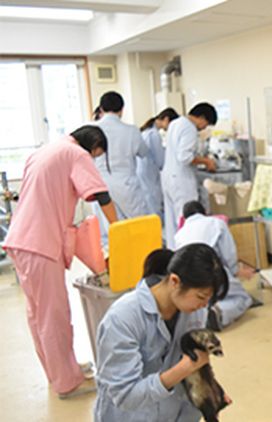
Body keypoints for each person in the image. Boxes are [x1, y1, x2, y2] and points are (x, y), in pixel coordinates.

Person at [3, 125, 118, 399]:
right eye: (97, 154)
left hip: (22, 240)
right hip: (40, 243)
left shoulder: (44, 151)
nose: (94, 159)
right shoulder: (76, 154)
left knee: (38, 315)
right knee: (54, 315)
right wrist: (119, 228)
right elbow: (100, 194)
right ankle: (68, 383)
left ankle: (58, 373)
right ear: (93, 145)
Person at [94, 243, 230, 421]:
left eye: (208, 300)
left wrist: (212, 395)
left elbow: (193, 370)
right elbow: (126, 396)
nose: (204, 306)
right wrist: (182, 369)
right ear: (174, 281)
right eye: (201, 297)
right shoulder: (122, 320)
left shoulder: (194, 311)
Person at [174, 200, 253, 331]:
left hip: (187, 279)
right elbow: (228, 254)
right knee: (243, 298)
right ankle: (220, 312)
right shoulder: (216, 223)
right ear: (204, 212)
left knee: (201, 299)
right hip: (210, 272)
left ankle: (203, 315)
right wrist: (236, 271)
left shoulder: (179, 234)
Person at [93, 91, 151, 245]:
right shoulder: (131, 130)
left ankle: (118, 264)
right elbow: (144, 152)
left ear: (101, 109)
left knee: (111, 231)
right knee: (140, 226)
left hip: (101, 186)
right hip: (126, 185)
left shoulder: (91, 128)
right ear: (122, 109)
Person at [161, 102, 218, 249]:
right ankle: (187, 253)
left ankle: (175, 253)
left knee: (173, 221)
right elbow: (185, 157)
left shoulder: (176, 123)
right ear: (202, 117)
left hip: (169, 178)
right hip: (181, 180)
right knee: (187, 220)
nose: (204, 128)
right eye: (206, 124)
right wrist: (206, 161)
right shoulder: (189, 128)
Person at [138, 108, 180, 220]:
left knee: (148, 201)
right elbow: (161, 160)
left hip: (143, 172)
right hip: (149, 174)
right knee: (153, 202)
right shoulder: (153, 135)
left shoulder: (146, 131)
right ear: (166, 119)